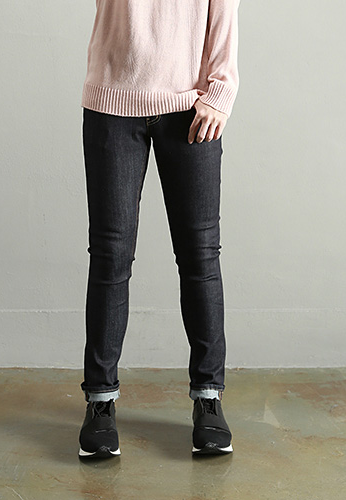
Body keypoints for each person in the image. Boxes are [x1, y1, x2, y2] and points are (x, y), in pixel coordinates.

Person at [78, 0, 241, 458]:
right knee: (110, 256)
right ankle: (100, 401)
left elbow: (224, 12)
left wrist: (220, 92)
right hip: (112, 102)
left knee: (200, 256)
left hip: (191, 106)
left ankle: (208, 397)